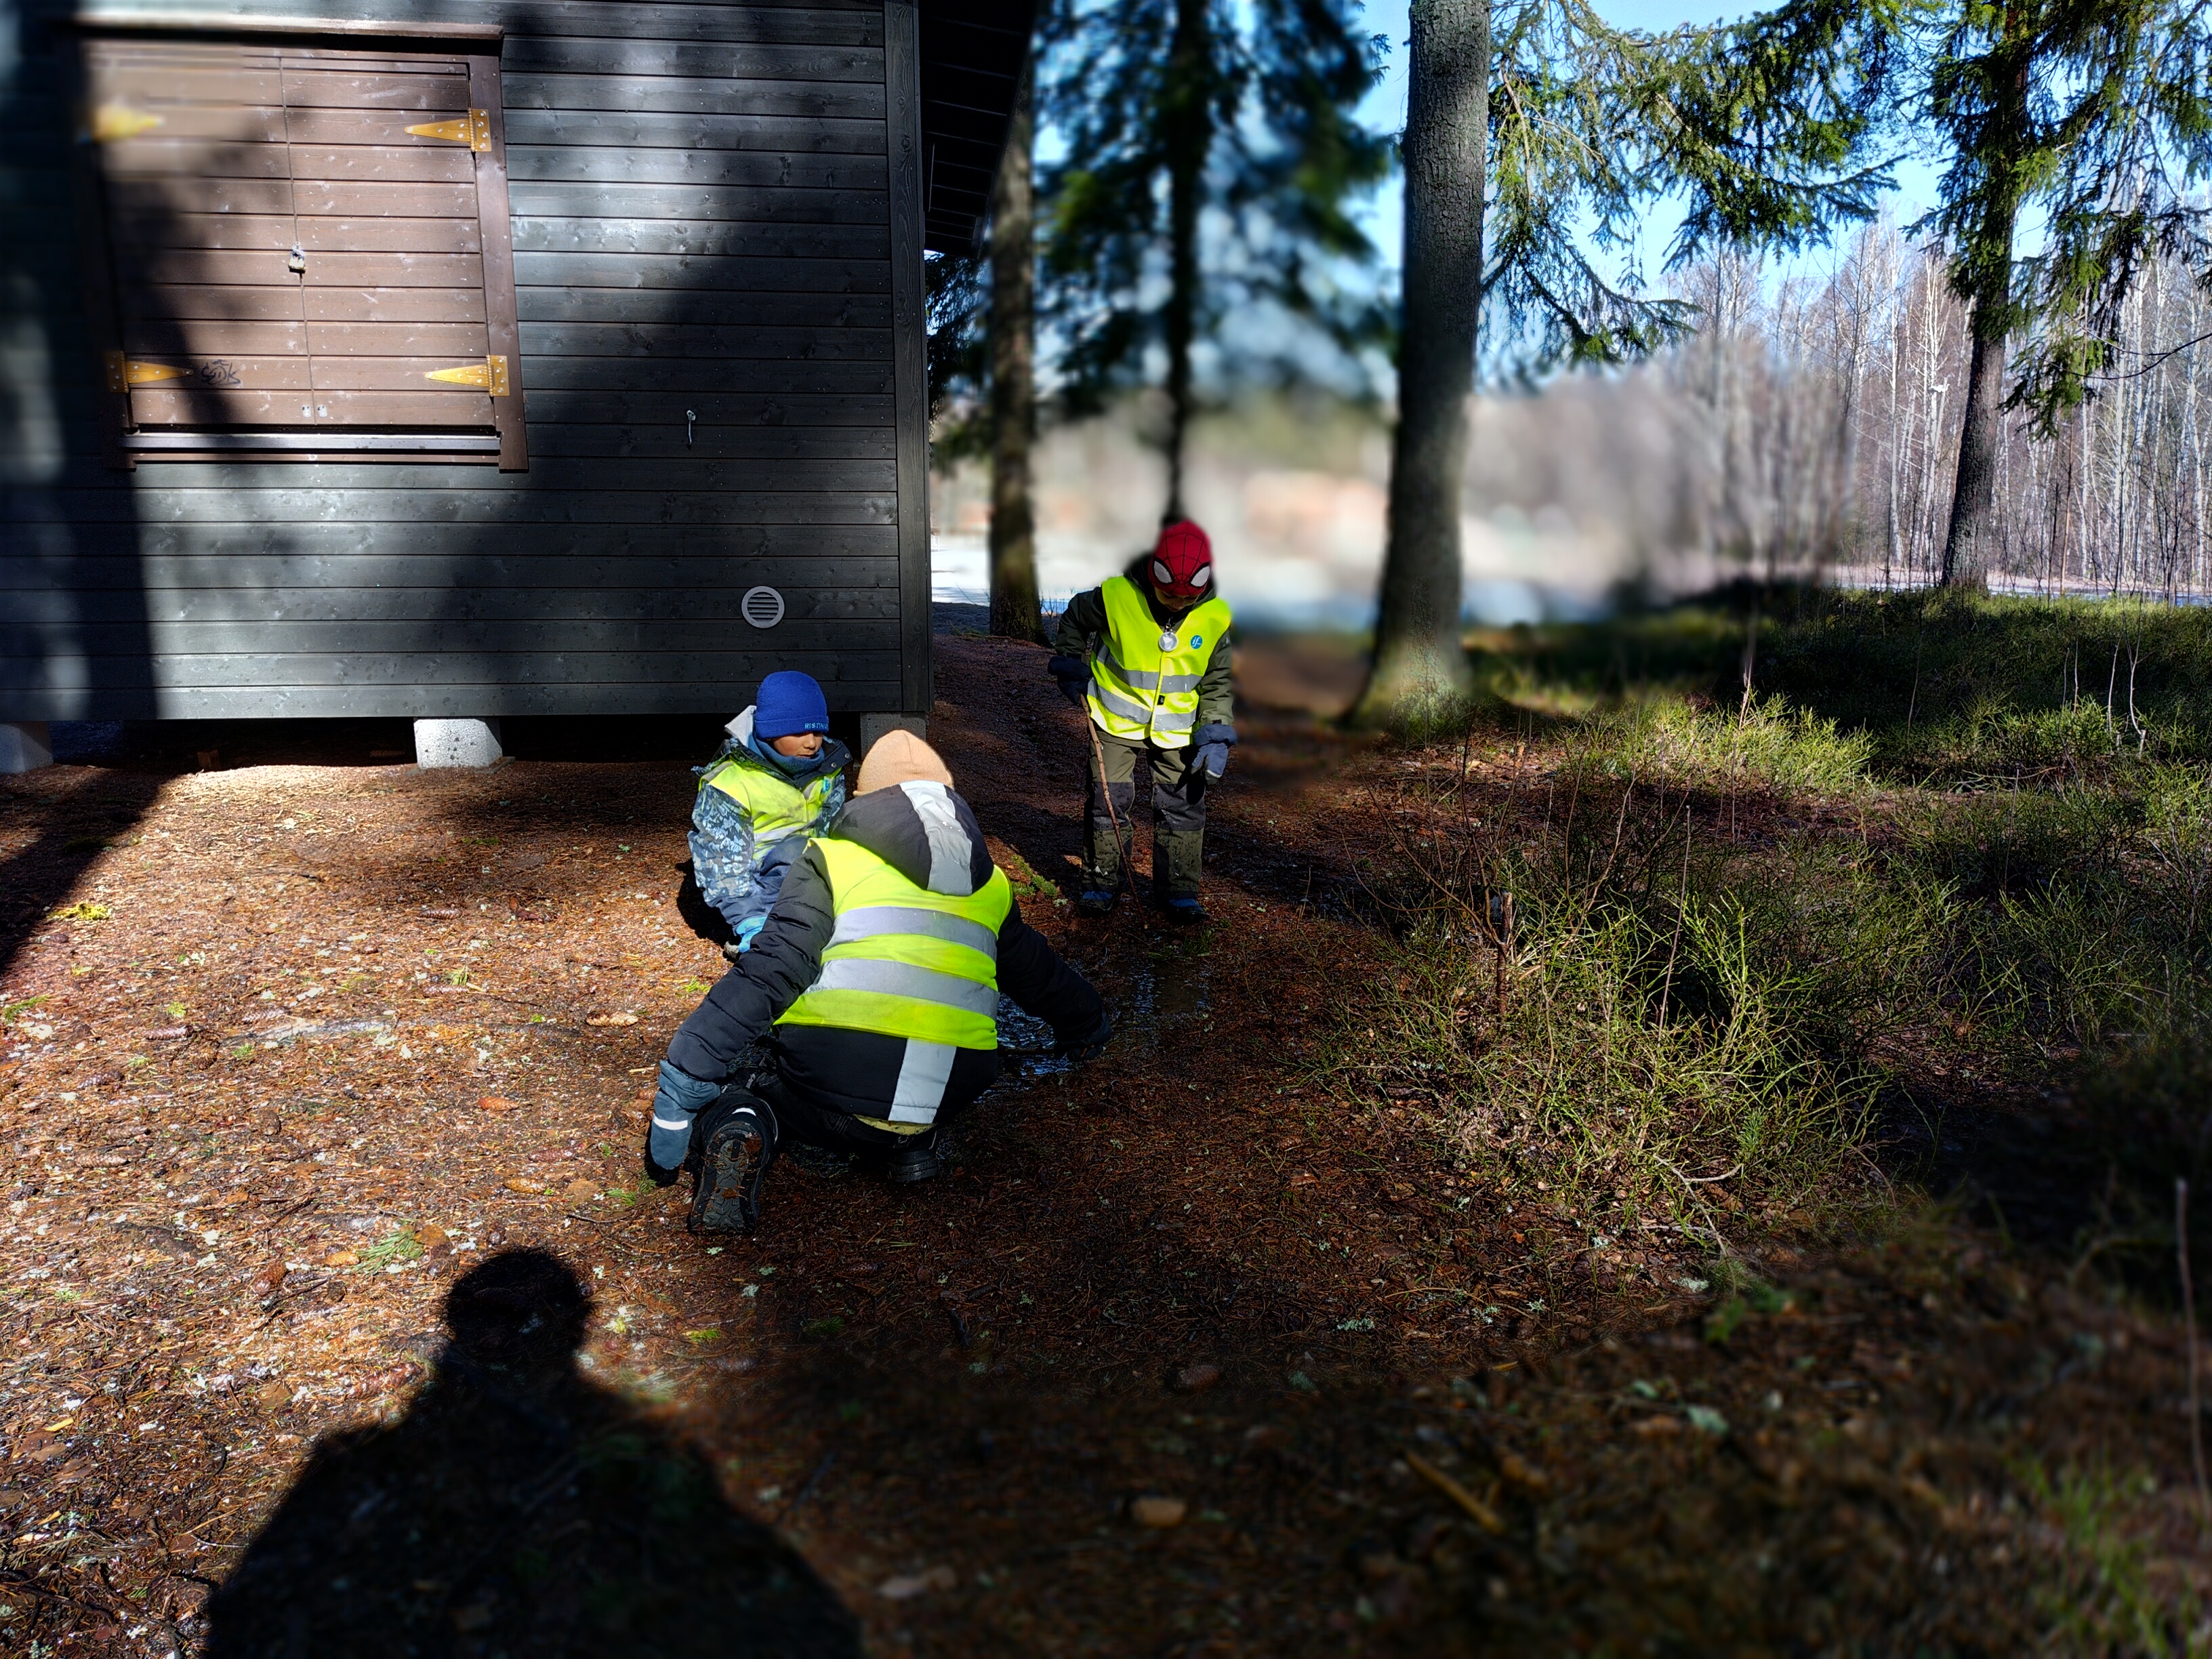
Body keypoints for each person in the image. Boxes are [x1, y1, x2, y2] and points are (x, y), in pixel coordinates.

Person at [644, 731, 1111, 1233]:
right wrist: (1088, 1024)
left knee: (751, 1081)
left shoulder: (830, 860)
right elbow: (1037, 971)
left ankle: (745, 1123)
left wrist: (685, 1080)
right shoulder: (990, 881)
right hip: (951, 1090)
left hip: (832, 1085)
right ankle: (912, 1141)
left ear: (864, 801)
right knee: (917, 1067)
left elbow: (772, 971)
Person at [1047, 519, 1235, 923]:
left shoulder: (1216, 616)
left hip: (1179, 731)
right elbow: (1075, 618)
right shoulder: (1116, 597)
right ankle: (1102, 885)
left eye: (1188, 598)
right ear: (1152, 574)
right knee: (1108, 803)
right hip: (1113, 721)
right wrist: (1070, 663)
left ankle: (1179, 893)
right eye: (1168, 595)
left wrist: (1215, 733)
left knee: (1184, 807)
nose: (1177, 604)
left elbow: (1218, 680)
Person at [689, 670, 851, 958]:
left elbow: (835, 830)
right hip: (761, 891)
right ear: (769, 731)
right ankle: (763, 933)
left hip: (817, 878)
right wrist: (751, 919)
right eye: (798, 732)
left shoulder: (828, 769)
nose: (811, 743)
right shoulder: (731, 783)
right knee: (795, 857)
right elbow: (721, 862)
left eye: (817, 732)